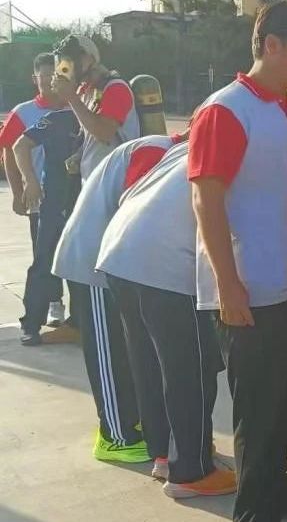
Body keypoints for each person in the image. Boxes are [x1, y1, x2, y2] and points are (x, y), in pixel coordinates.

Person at [188, 0, 287, 522]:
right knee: (258, 412)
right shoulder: (226, 110)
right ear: (271, 46)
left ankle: (275, 490)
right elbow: (206, 199)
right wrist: (228, 285)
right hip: (254, 292)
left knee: (285, 402)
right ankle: (254, 510)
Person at [95, 141, 237, 499]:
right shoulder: (251, 146)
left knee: (149, 361)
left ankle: (163, 453)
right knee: (192, 368)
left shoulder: (189, 145)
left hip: (121, 249)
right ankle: (191, 470)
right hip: (165, 262)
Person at [52, 134, 186, 463]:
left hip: (119, 261)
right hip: (94, 261)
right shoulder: (156, 151)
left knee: (129, 350)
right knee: (108, 351)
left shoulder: (164, 152)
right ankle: (116, 436)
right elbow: (138, 211)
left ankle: (138, 425)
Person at [0, 53, 69, 328]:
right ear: (34, 78)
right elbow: (9, 149)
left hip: (73, 195)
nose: (50, 81)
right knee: (44, 254)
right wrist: (18, 191)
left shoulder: (75, 107)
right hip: (40, 197)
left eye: (55, 75)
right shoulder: (24, 112)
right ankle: (54, 303)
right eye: (45, 76)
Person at [12, 108, 81, 347]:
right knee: (44, 263)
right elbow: (20, 146)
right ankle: (31, 324)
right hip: (55, 202)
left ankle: (79, 323)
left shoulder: (99, 121)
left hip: (84, 202)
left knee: (81, 266)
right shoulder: (58, 119)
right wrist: (29, 180)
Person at [50, 34, 140, 182]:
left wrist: (71, 97)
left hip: (116, 180)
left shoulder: (115, 88)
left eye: (71, 59)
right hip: (95, 179)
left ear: (90, 59)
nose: (65, 66)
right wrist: (80, 155)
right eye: (63, 60)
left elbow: (104, 133)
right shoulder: (86, 91)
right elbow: (92, 136)